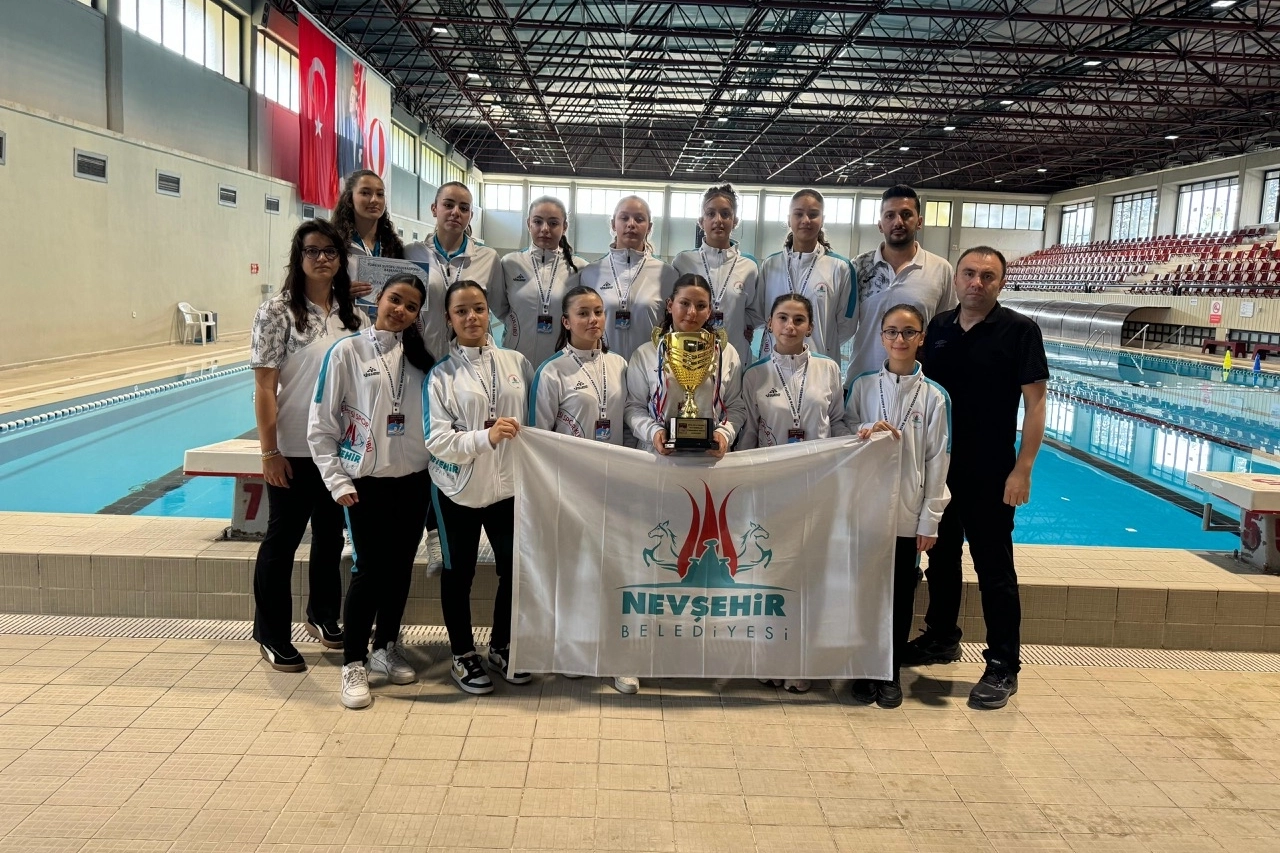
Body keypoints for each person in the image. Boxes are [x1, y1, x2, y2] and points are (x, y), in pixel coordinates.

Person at [904, 247, 1048, 710]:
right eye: (969, 273)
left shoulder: (1019, 330)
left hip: (991, 471)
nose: (976, 283)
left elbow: (1036, 404)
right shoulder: (939, 328)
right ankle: (941, 637)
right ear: (956, 279)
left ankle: (1003, 664)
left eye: (988, 276)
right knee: (941, 558)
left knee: (994, 569)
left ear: (1001, 283)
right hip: (939, 469)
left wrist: (1022, 469)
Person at [309, 275, 435, 709]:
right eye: (395, 300)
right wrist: (337, 480)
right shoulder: (347, 352)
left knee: (399, 569)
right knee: (368, 571)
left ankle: (385, 647)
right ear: (378, 299)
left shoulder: (420, 358)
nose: (400, 310)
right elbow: (321, 425)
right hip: (365, 482)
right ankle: (353, 662)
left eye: (411, 306)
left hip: (414, 481)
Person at [249, 219, 366, 672]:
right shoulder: (277, 311)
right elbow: (264, 388)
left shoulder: (352, 314)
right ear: (298, 258)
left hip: (338, 450)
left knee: (330, 536)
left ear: (341, 259)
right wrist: (269, 452)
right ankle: (271, 633)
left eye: (330, 251)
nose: (321, 258)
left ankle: (322, 615)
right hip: (294, 448)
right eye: (312, 251)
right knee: (282, 541)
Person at [424, 280, 533, 695]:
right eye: (462, 311)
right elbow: (436, 440)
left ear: (490, 312)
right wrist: (483, 438)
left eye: (479, 309)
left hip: (508, 489)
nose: (472, 317)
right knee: (459, 573)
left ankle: (502, 645)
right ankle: (462, 654)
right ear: (449, 319)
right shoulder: (441, 375)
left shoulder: (516, 363)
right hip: (459, 490)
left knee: (513, 570)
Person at [739, 293, 850, 694]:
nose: (790, 326)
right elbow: (748, 438)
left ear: (810, 327)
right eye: (782, 318)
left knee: (809, 574)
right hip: (769, 491)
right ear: (769, 324)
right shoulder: (754, 375)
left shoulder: (828, 369)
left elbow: (839, 424)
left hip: (816, 488)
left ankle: (803, 658)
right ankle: (768, 656)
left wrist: (862, 442)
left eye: (799, 319)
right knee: (769, 575)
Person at [527, 286, 636, 693]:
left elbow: (628, 423)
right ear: (566, 321)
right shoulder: (552, 371)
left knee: (617, 571)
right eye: (584, 313)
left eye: (599, 312)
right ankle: (574, 648)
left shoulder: (620, 364)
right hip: (571, 490)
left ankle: (618, 656)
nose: (593, 320)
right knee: (575, 572)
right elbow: (539, 438)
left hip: (617, 486)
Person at [844, 304, 951, 709]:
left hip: (907, 513)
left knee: (900, 594)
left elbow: (938, 460)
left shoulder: (935, 396)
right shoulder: (863, 386)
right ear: (881, 337)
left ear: (921, 338)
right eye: (891, 331)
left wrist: (930, 519)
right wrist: (863, 430)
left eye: (908, 332)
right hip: (865, 510)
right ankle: (862, 667)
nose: (899, 339)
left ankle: (889, 671)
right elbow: (841, 432)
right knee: (863, 592)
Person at [625, 273, 746, 458]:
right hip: (659, 458)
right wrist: (653, 432)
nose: (692, 312)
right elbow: (634, 407)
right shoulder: (646, 353)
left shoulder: (725, 353)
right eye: (684, 303)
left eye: (701, 306)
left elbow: (736, 406)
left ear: (709, 311)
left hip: (709, 459)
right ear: (670, 305)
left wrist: (724, 433)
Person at [845, 185, 956, 383]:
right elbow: (843, 324)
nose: (898, 222)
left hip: (916, 384)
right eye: (890, 215)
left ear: (919, 222)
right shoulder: (858, 267)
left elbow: (944, 330)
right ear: (880, 225)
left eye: (906, 214)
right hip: (862, 383)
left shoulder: (941, 269)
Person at [570, 195, 679, 360]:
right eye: (624, 218)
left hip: (649, 367)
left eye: (639, 219)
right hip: (603, 366)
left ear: (649, 227)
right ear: (613, 224)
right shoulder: (591, 273)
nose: (631, 224)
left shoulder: (667, 274)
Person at [756, 188, 856, 362]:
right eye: (799, 214)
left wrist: (821, 344)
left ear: (822, 220)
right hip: (772, 363)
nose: (806, 220)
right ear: (789, 219)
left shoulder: (840, 267)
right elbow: (761, 313)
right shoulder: (770, 265)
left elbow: (847, 324)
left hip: (818, 364)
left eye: (813, 214)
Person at [405, 182, 502, 359]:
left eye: (464, 208)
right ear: (434, 209)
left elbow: (502, 309)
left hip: (472, 359)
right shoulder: (411, 253)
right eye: (448, 205)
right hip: (422, 357)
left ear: (470, 216)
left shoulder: (488, 258)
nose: (456, 212)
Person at [493, 196, 588, 368]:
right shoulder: (510, 263)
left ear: (564, 227)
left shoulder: (579, 268)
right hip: (515, 360)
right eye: (538, 222)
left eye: (553, 223)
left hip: (562, 363)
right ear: (528, 224)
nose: (545, 229)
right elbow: (501, 308)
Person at [672, 184, 761, 365]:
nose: (718, 220)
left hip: (735, 356)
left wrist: (742, 325)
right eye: (711, 214)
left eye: (725, 214)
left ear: (735, 221)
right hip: (691, 358)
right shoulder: (683, 261)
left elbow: (756, 312)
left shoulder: (749, 267)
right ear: (701, 221)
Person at [332, 169, 404, 309]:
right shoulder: (334, 243)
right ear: (349, 199)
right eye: (365, 193)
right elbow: (312, 287)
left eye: (380, 194)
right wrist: (339, 292)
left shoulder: (393, 246)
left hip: (384, 322)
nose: (374, 200)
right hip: (345, 320)